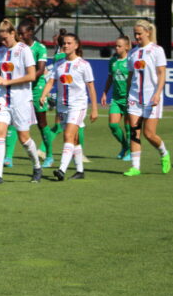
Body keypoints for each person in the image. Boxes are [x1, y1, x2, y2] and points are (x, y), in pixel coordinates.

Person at [0, 19, 42, 185]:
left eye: (5, 38)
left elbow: (32, 76)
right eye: (0, 39)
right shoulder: (0, 52)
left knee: (24, 138)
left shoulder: (24, 50)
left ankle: (37, 166)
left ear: (13, 33)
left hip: (21, 99)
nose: (3, 42)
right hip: (2, 97)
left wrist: (7, 82)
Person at [39, 33, 98, 181]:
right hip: (62, 106)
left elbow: (91, 87)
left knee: (68, 136)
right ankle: (79, 171)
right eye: (64, 43)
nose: (65, 45)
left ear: (76, 45)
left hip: (77, 106)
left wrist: (95, 109)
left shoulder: (84, 65)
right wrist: (43, 95)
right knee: (74, 139)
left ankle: (61, 169)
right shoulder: (59, 64)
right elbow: (51, 82)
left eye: (69, 43)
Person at [123, 20, 170, 177]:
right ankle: (135, 167)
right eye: (135, 34)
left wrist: (157, 93)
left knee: (149, 134)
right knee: (134, 131)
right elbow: (131, 75)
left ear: (148, 33)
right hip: (134, 97)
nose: (136, 37)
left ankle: (164, 153)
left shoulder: (157, 50)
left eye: (139, 34)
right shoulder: (132, 52)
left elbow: (162, 73)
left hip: (151, 97)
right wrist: (127, 93)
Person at [17, 18, 55, 168]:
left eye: (22, 34)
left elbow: (40, 70)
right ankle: (7, 157)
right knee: (16, 122)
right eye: (18, 34)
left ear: (30, 33)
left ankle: (49, 156)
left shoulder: (40, 48)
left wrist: (26, 78)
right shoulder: (18, 48)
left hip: (37, 89)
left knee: (42, 123)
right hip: (21, 88)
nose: (20, 36)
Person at [101, 35, 132, 161]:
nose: (116, 48)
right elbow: (110, 78)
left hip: (129, 98)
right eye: (116, 46)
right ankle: (124, 146)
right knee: (113, 125)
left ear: (126, 47)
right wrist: (104, 93)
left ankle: (131, 150)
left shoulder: (130, 60)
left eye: (119, 46)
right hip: (116, 98)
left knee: (128, 127)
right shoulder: (113, 61)